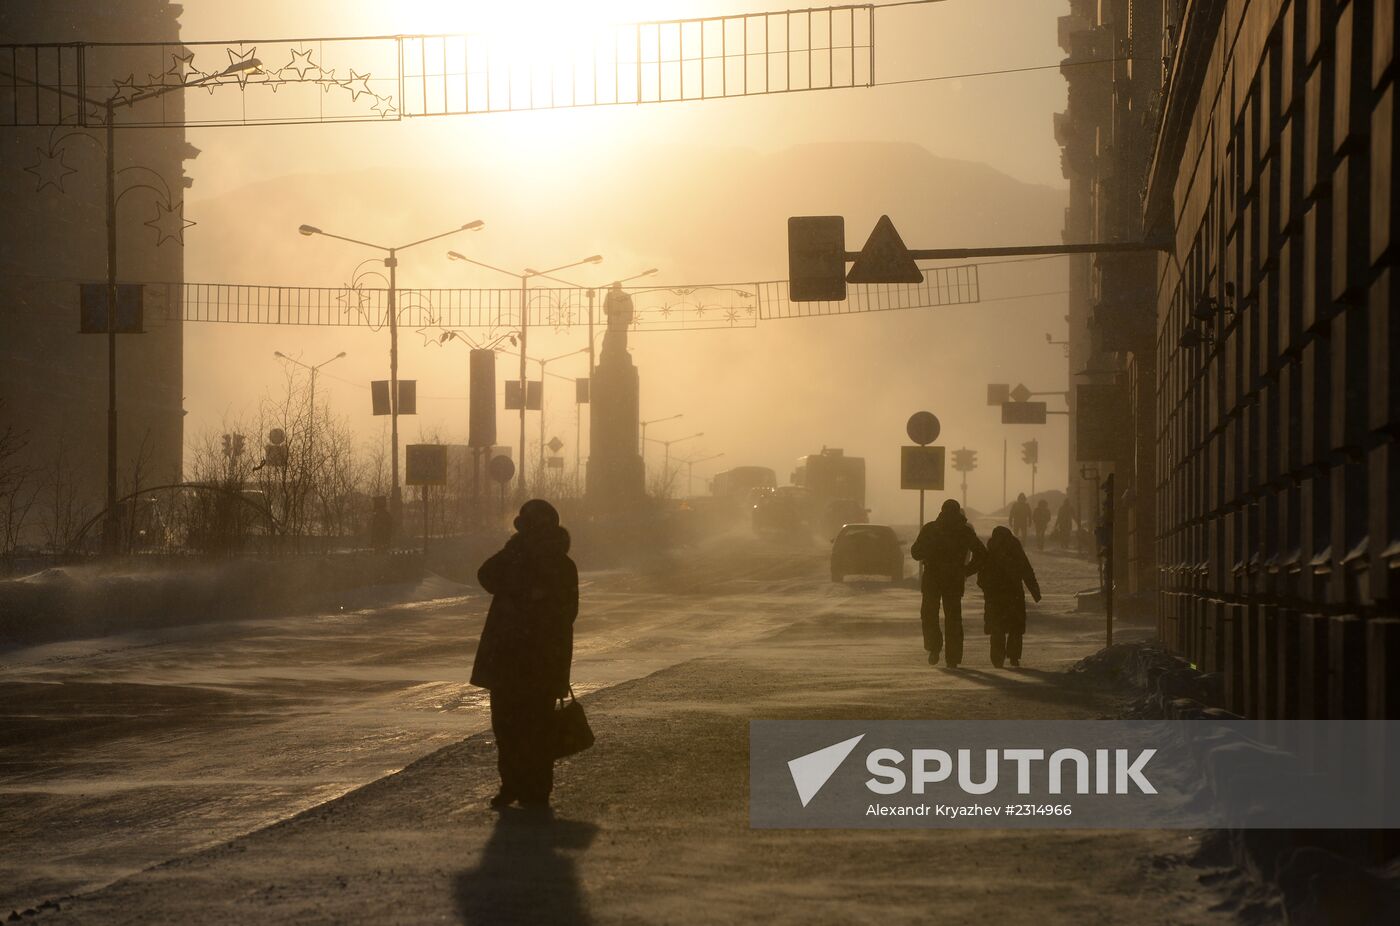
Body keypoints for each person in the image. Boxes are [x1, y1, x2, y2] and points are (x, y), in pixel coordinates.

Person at [471, 499, 579, 810]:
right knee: (506, 728)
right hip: (507, 660)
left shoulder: (560, 564)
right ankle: (513, 784)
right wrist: (514, 551)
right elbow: (486, 575)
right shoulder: (515, 557)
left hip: (540, 662)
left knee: (535, 727)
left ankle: (536, 789)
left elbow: (566, 612)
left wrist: (535, 601)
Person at [910, 499, 987, 668]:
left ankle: (934, 647)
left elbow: (915, 552)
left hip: (933, 578)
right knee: (953, 618)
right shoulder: (964, 531)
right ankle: (952, 658)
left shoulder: (930, 529)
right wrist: (966, 570)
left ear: (942, 511)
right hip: (953, 579)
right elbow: (982, 554)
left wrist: (928, 551)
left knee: (929, 614)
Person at [977, 526, 1042, 668]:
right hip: (1014, 594)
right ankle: (1014, 656)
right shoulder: (1015, 550)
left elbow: (982, 575)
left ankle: (997, 658)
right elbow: (1027, 570)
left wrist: (985, 588)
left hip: (994, 595)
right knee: (1015, 627)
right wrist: (1035, 591)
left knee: (997, 627)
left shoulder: (990, 551)